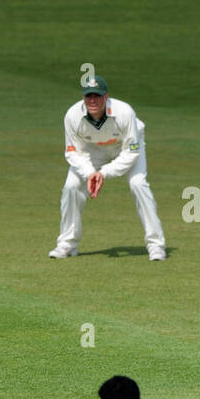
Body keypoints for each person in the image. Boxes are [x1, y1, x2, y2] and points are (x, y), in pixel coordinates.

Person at [51, 76, 165, 261]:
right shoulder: (72, 116)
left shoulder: (125, 112)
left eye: (97, 96)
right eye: (88, 96)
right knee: (71, 186)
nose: (93, 100)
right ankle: (67, 244)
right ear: (83, 97)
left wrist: (104, 173)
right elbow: (73, 152)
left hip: (124, 146)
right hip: (93, 148)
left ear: (106, 97)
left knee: (138, 184)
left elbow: (132, 152)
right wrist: (90, 173)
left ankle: (156, 246)